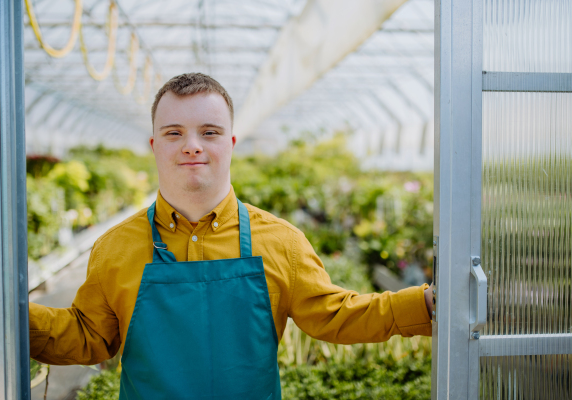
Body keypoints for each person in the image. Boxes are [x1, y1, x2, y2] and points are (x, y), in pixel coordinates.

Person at [29, 73, 433, 399]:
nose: (192, 146)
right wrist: (9, 318)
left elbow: (334, 316)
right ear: (154, 145)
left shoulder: (280, 242)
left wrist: (425, 305)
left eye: (209, 132)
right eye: (174, 133)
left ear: (231, 143)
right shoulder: (115, 247)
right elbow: (88, 338)